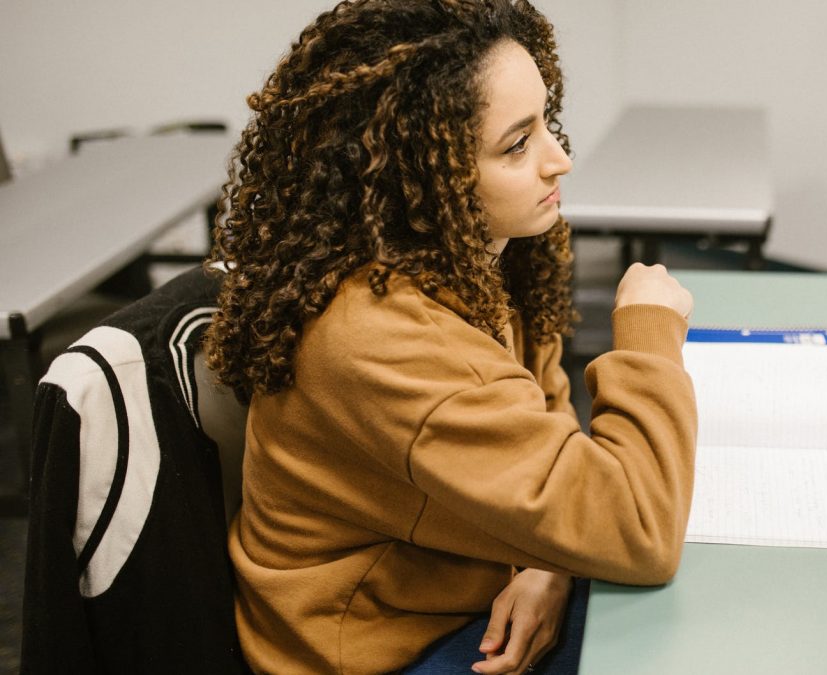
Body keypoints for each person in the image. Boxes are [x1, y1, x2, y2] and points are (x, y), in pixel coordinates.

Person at [204, 1, 697, 673]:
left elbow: (543, 417)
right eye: (517, 145)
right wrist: (648, 336)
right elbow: (638, 527)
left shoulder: (479, 252)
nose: (559, 162)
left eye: (547, 124)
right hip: (380, 648)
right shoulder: (380, 339)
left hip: (467, 579)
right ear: (424, 173)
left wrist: (544, 562)